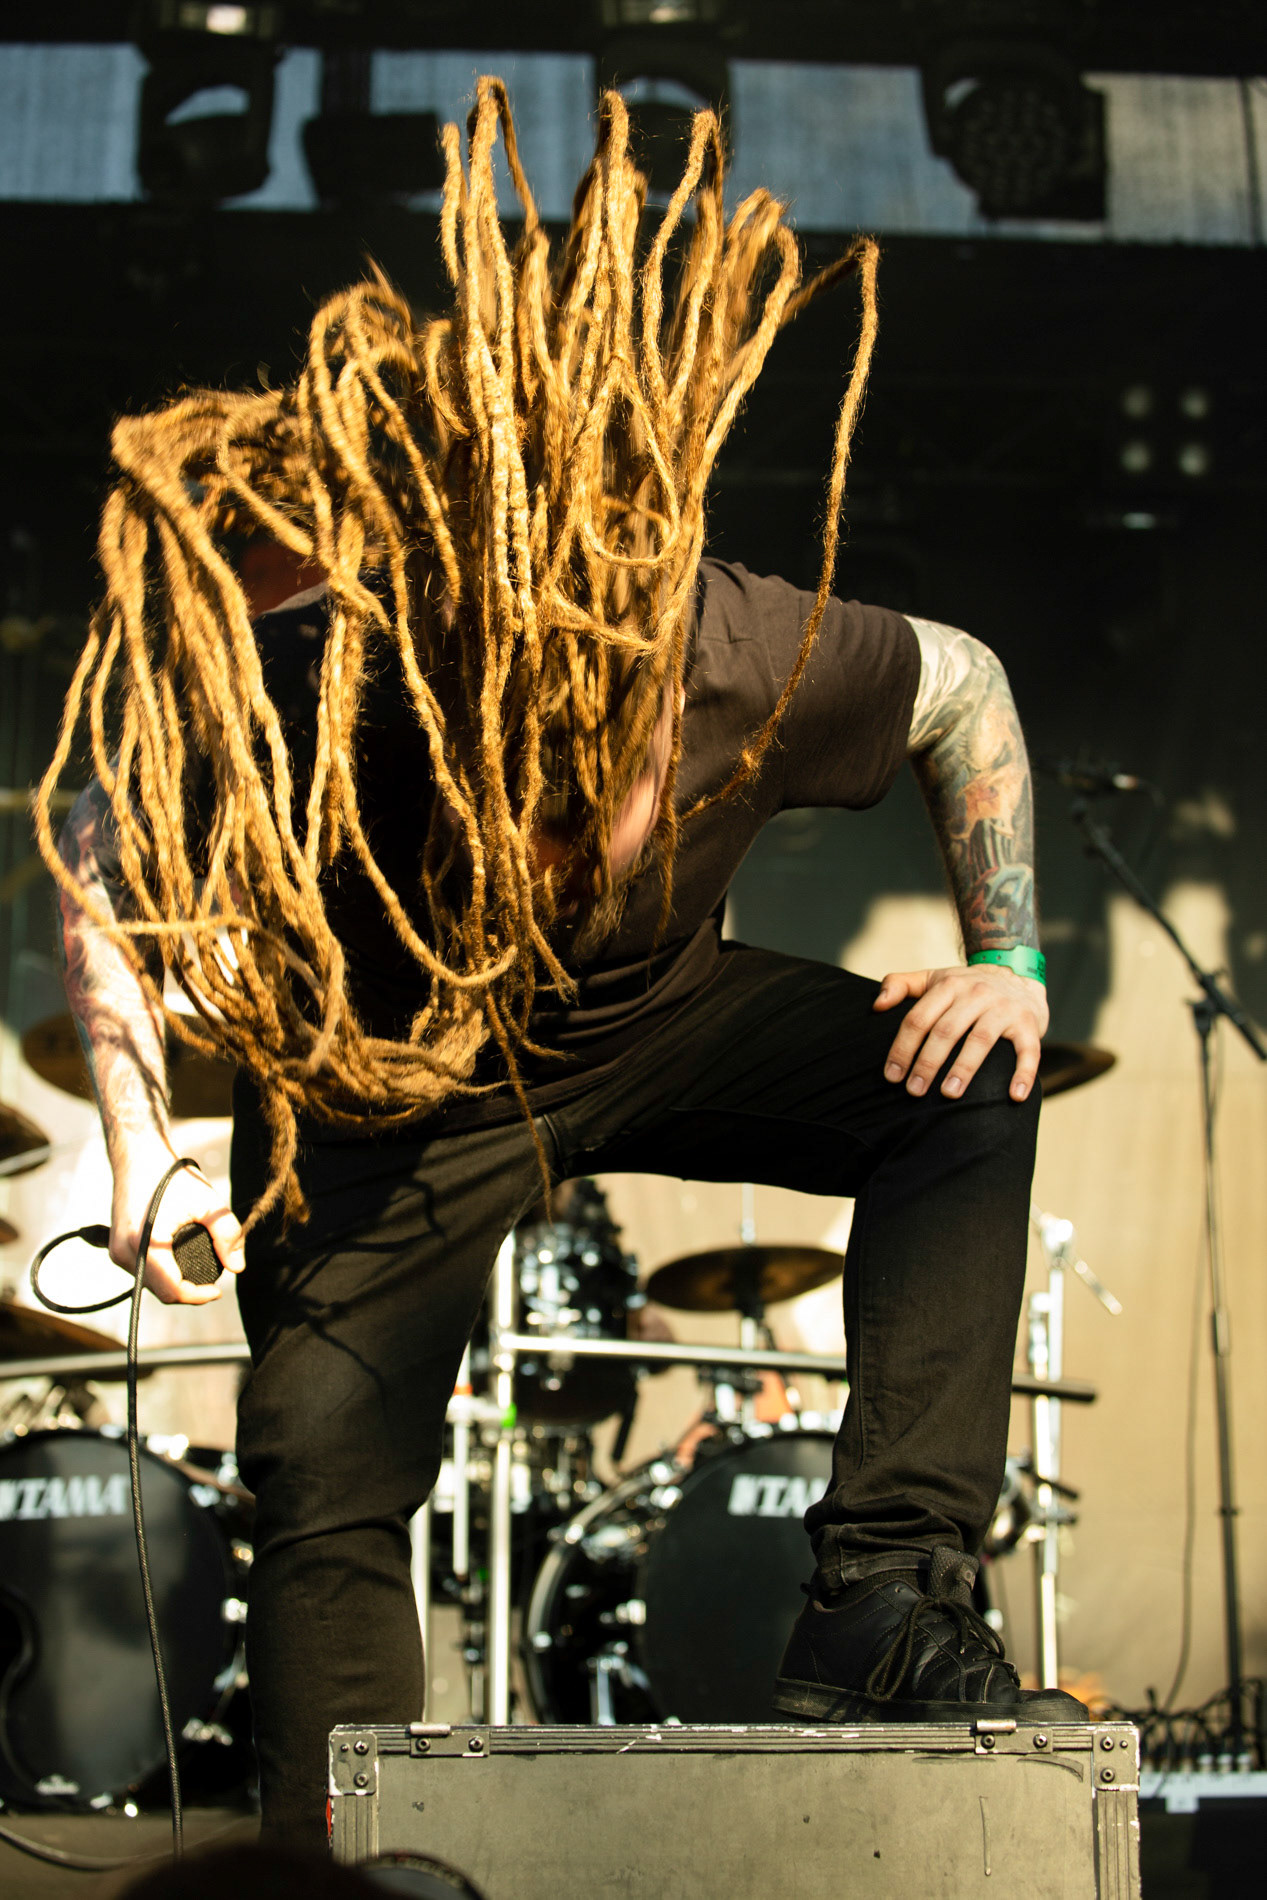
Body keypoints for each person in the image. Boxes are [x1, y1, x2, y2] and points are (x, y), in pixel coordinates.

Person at [39, 80, 1085, 1847]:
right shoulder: (336, 669)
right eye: (514, 800)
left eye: (594, 796)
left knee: (971, 1081)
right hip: (400, 1076)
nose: (552, 843)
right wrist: (143, 1136)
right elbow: (95, 827)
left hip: (653, 1016)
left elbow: (966, 685)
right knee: (312, 1457)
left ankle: (883, 1607)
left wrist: (1016, 954)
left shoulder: (741, 652)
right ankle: (336, 1858)